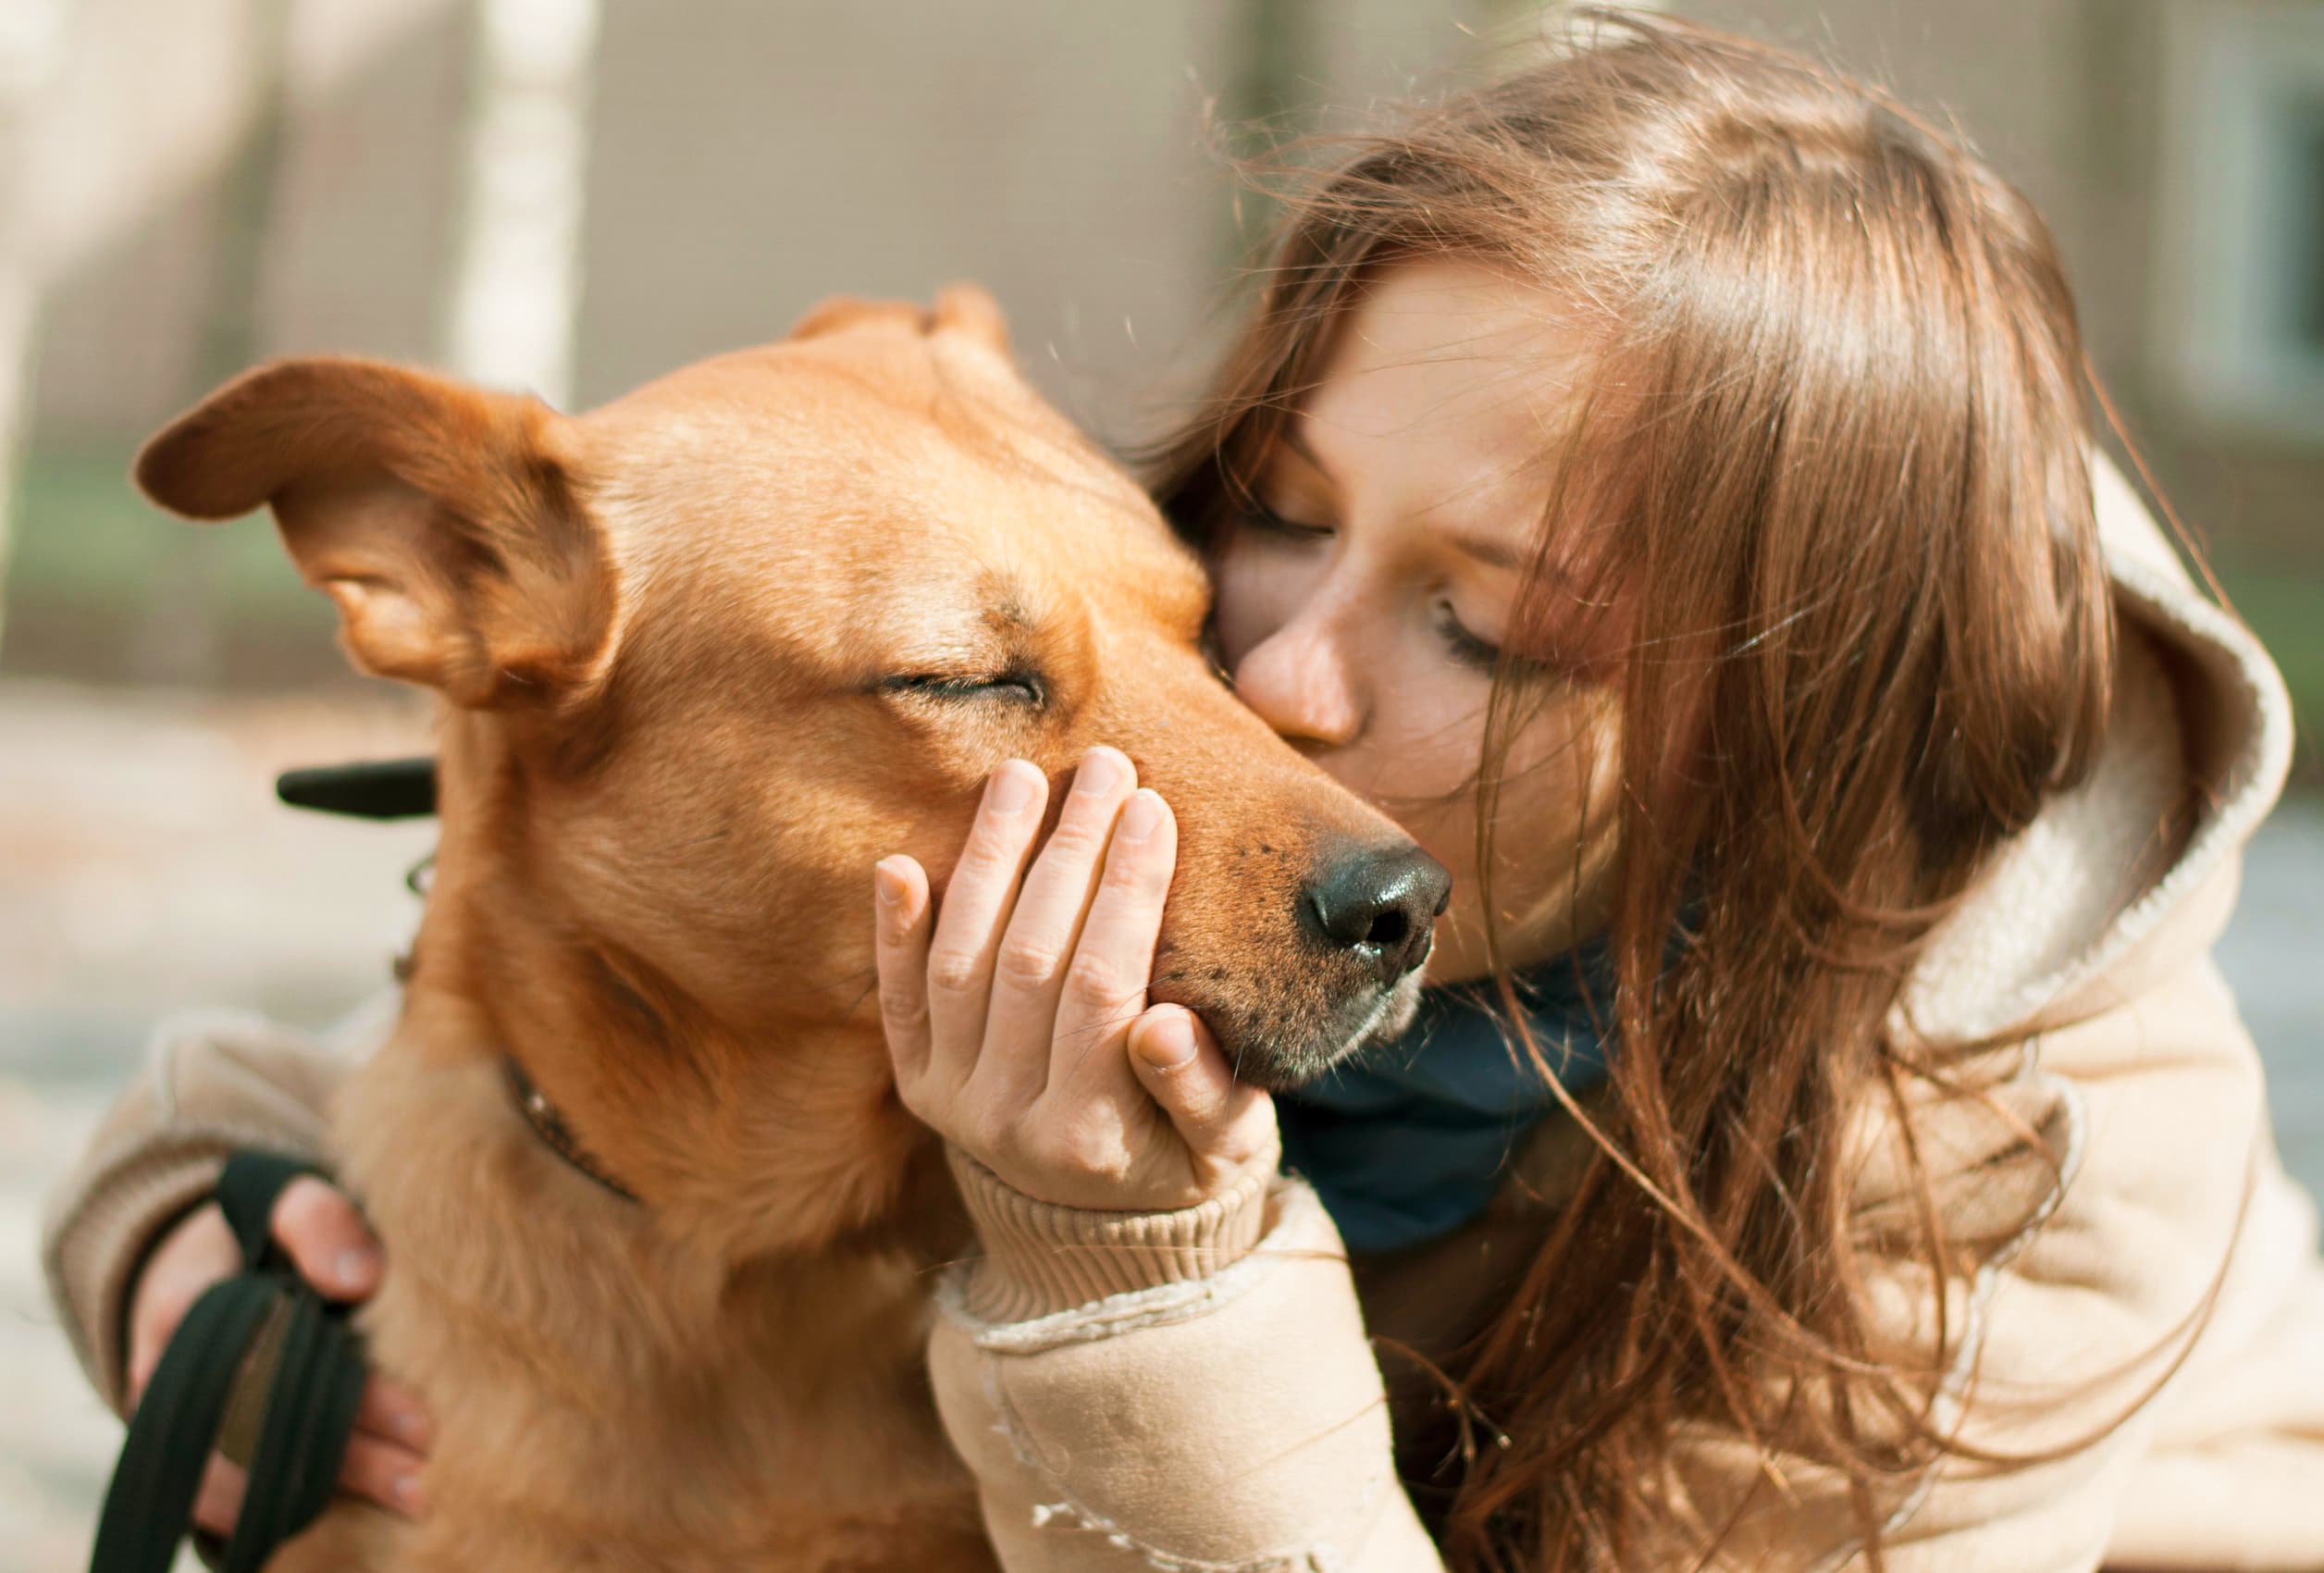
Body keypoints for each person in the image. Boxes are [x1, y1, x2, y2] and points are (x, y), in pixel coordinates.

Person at [43, 12, 2324, 1569]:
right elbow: (505, 1040)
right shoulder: (1071, 772)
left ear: (1796, 729)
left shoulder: (2020, 1166)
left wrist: (1123, 1249)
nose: (1277, 693)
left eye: (1493, 628)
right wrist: (171, 1222)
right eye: (1268, 509)